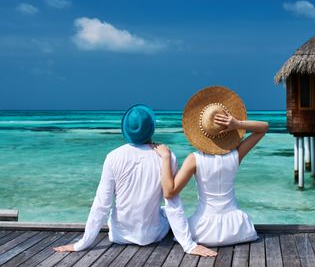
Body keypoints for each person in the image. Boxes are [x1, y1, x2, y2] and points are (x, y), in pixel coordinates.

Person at [54, 104, 217, 257]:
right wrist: (189, 245)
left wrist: (81, 244)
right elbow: (173, 204)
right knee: (165, 211)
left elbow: (101, 205)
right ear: (152, 129)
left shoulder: (113, 157)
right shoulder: (167, 157)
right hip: (152, 236)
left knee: (112, 210)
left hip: (119, 236)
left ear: (126, 130)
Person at [155, 86, 269, 246]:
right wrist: (237, 124)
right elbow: (263, 128)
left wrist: (166, 158)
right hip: (238, 230)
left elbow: (169, 192)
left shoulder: (194, 159)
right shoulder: (235, 156)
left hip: (203, 231)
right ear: (226, 132)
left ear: (200, 131)